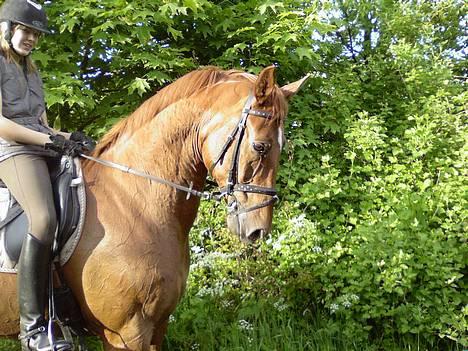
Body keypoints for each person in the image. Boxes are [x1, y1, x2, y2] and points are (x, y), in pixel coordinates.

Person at [0, 1, 94, 350]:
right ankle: (32, 328)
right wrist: (48, 142)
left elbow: (40, 123)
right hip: (9, 150)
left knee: (83, 197)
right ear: (8, 28)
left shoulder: (31, 70)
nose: (32, 39)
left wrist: (72, 139)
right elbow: (3, 125)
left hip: (38, 144)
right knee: (42, 218)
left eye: (37, 35)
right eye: (27, 31)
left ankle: (68, 309)